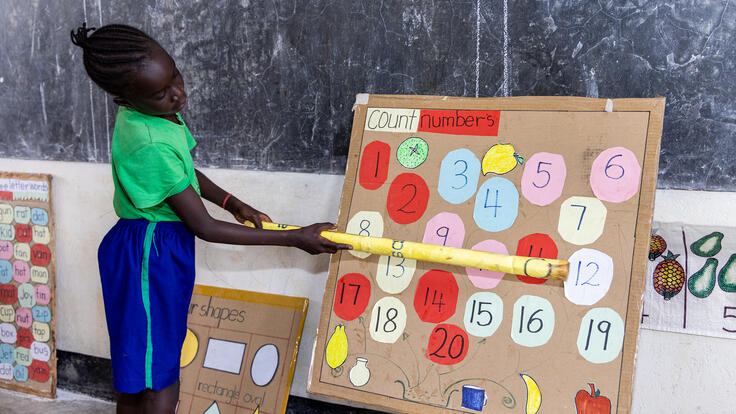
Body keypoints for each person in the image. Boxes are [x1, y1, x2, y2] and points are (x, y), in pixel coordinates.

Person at [70, 23, 351, 414]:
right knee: (160, 379)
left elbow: (184, 174)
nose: (177, 93)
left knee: (145, 369)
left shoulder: (156, 115)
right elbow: (203, 227)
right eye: (161, 92)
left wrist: (232, 202)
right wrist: (295, 238)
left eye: (176, 76)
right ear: (126, 97)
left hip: (151, 249)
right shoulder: (149, 142)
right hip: (149, 256)